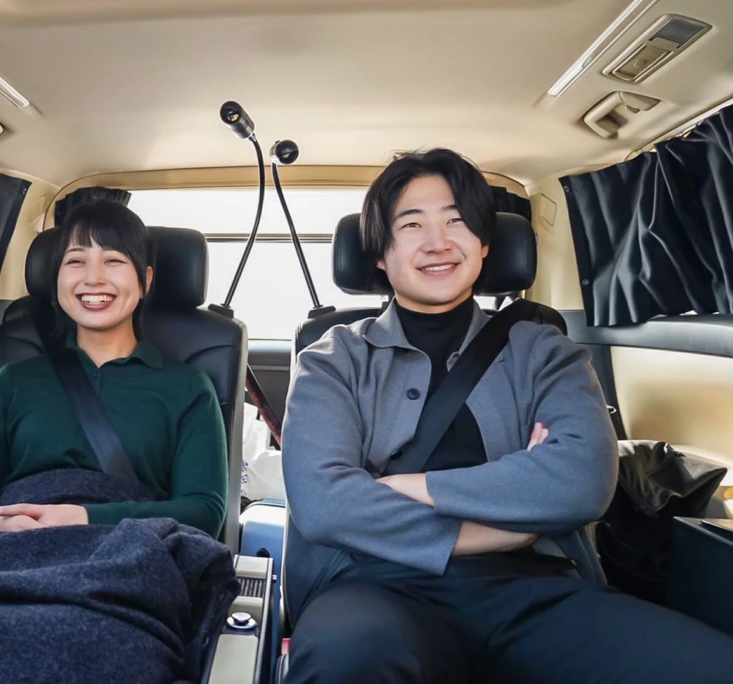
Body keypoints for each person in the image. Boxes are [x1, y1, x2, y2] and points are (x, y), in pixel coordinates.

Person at [280, 149, 733, 683]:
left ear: (485, 243)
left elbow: (582, 481)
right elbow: (325, 503)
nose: (438, 242)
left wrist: (405, 485)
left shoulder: (545, 352)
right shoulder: (333, 359)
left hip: (535, 588)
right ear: (379, 252)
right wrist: (503, 527)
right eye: (412, 224)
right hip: (372, 585)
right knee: (345, 662)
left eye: (456, 221)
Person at [0, 199, 228, 538]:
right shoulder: (14, 381)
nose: (93, 278)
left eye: (113, 260)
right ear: (56, 278)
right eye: (76, 261)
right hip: (8, 542)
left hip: (128, 548)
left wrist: (84, 517)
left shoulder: (188, 387)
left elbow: (203, 511)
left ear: (145, 281)